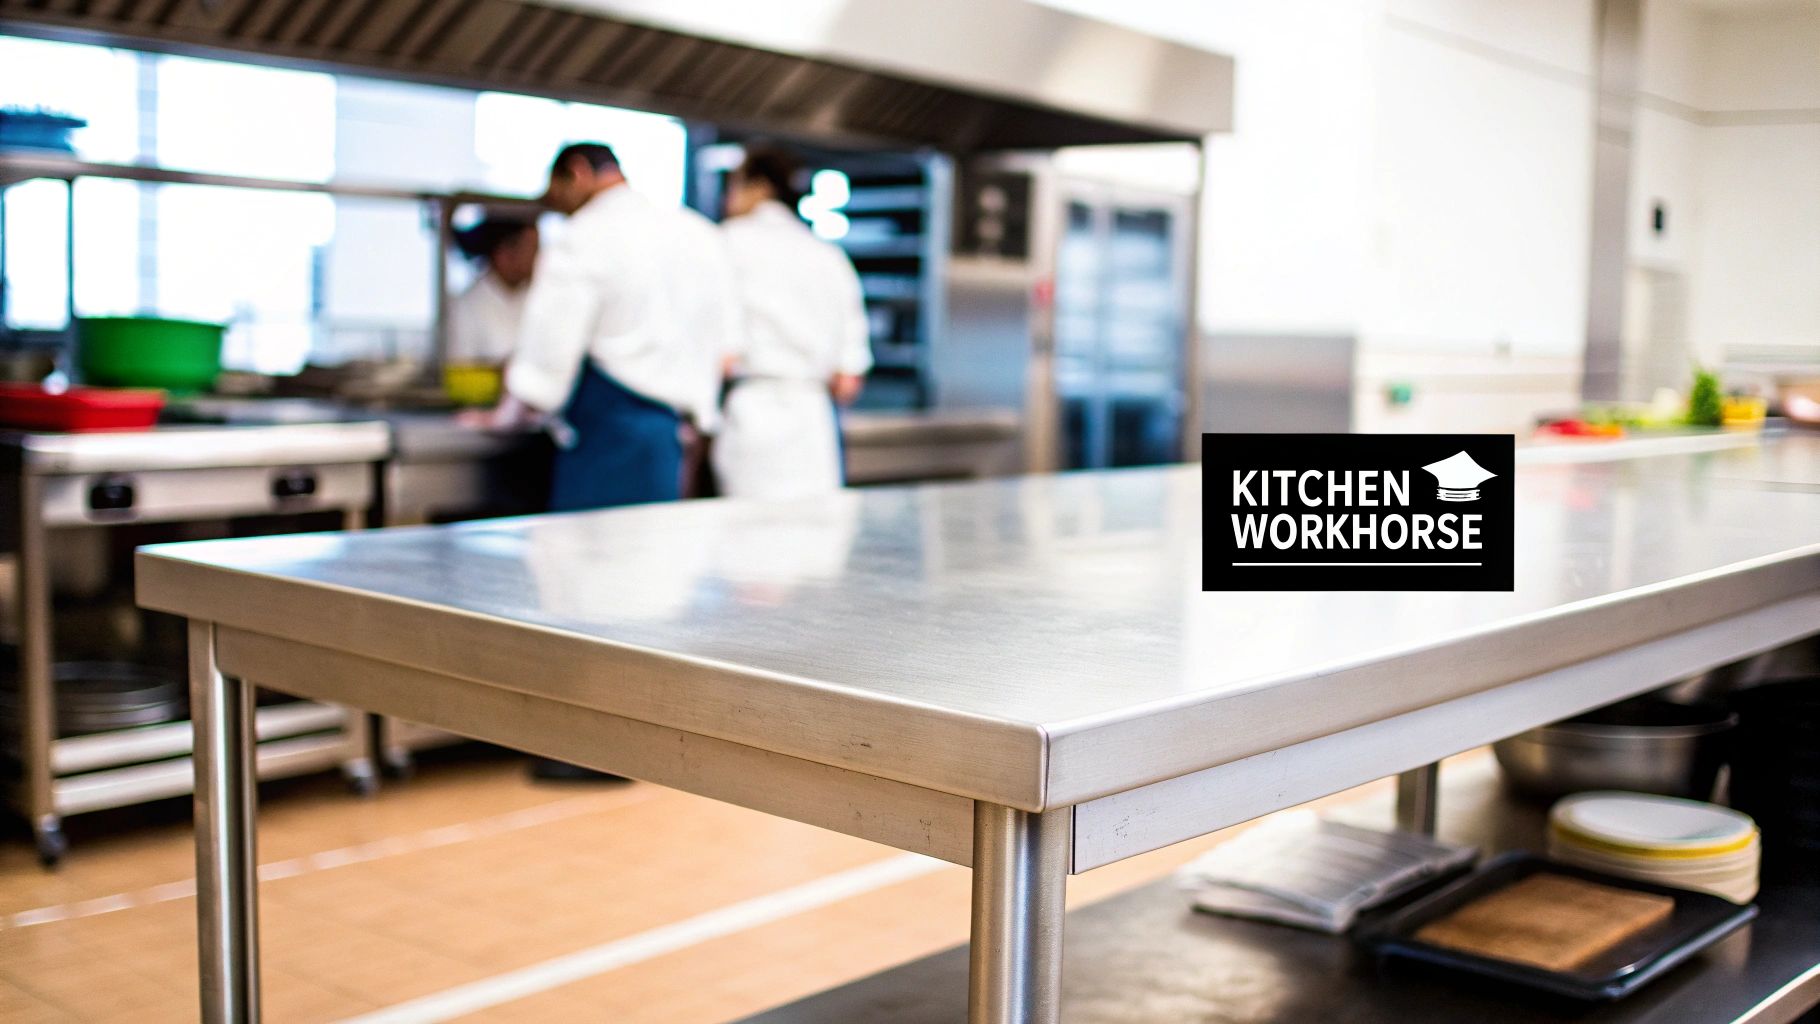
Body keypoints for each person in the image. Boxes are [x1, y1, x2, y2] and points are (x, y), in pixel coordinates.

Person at [487, 142, 739, 513]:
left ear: (577, 172)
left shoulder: (585, 235)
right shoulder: (697, 233)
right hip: (678, 445)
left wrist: (507, 414)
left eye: (556, 194)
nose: (558, 207)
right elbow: (727, 353)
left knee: (589, 566)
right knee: (660, 563)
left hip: (608, 445)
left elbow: (549, 353)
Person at [713, 145, 871, 501]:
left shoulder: (726, 243)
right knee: (812, 542)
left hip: (753, 413)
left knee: (748, 540)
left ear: (758, 187)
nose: (728, 198)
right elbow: (849, 381)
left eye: (734, 185)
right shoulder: (827, 255)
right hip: (812, 421)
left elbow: (719, 354)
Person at [447, 214, 539, 368]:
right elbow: (461, 368)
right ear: (504, 254)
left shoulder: (538, 296)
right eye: (533, 249)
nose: (538, 258)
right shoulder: (467, 306)